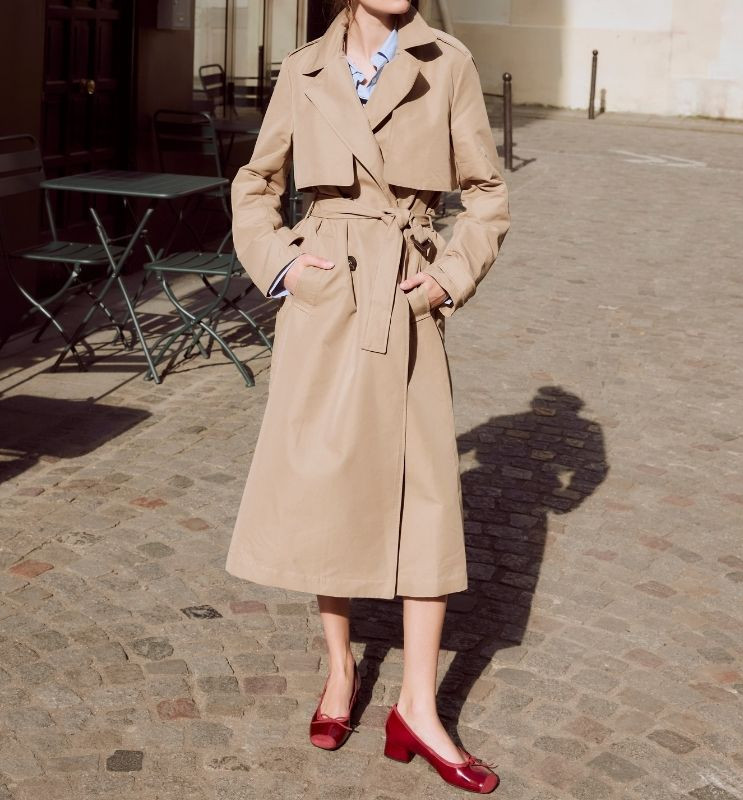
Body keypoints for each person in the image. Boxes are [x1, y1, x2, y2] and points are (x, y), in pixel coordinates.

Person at [225, 0, 510, 793]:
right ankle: (341, 673)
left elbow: (487, 194)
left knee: (426, 496)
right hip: (325, 293)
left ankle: (419, 706)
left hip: (405, 293)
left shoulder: (445, 62)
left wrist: (447, 278)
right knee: (327, 482)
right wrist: (283, 267)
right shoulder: (305, 68)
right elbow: (257, 183)